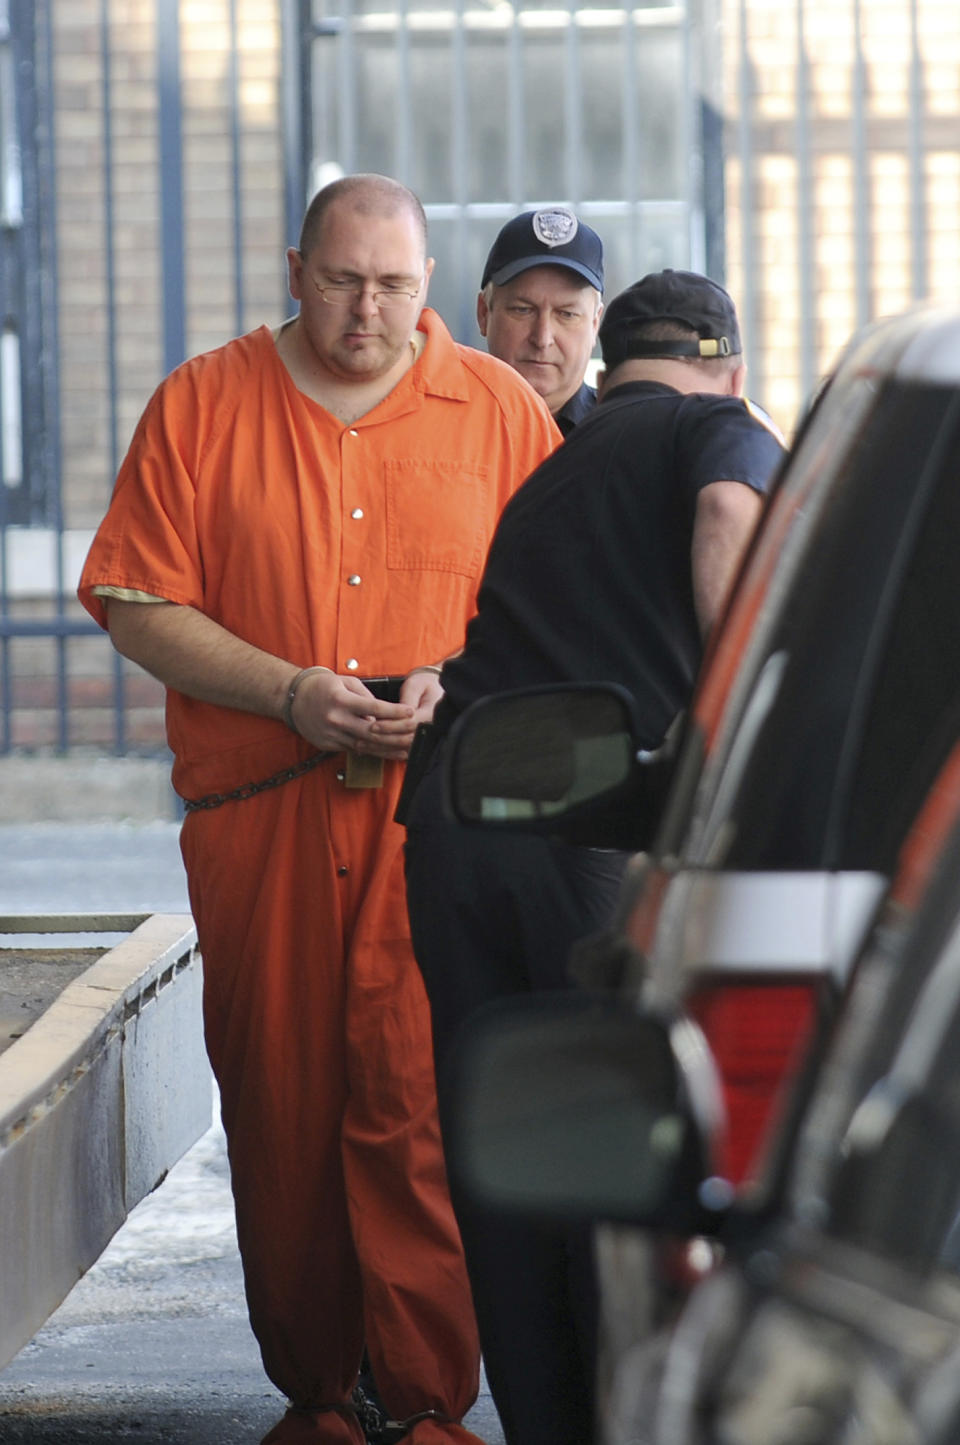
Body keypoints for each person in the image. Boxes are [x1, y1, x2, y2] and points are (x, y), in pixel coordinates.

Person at [77, 173, 561, 1445]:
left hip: (438, 819)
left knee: (418, 1099)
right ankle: (316, 1391)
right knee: (281, 1097)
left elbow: (557, 605)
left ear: (429, 289)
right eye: (343, 280)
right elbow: (134, 596)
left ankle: (426, 1401)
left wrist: (458, 682)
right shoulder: (202, 404)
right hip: (265, 813)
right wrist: (291, 691)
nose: (368, 310)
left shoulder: (502, 413)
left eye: (395, 286)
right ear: (295, 267)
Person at [402, 269, 786, 1445]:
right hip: (586, 824)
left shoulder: (558, 466)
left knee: (507, 1159)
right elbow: (730, 518)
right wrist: (743, 733)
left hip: (454, 830)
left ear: (608, 366)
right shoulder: (712, 422)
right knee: (606, 1164)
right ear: (725, 366)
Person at [477, 207, 604, 434]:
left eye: (567, 314)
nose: (543, 338)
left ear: (595, 324)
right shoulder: (443, 429)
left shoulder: (623, 436)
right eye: (523, 310)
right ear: (484, 313)